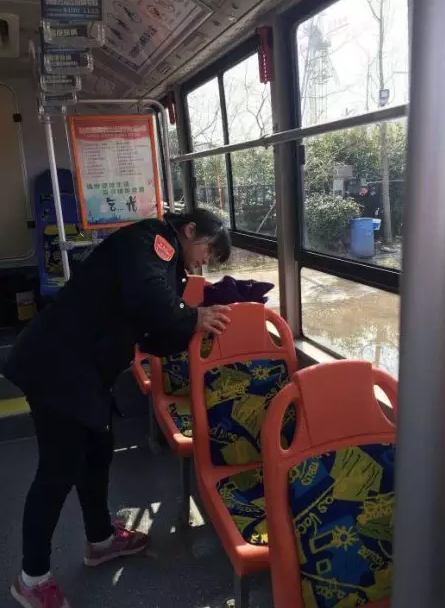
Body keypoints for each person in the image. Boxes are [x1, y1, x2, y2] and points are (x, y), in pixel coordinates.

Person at [4, 208, 231, 608]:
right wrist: (193, 316)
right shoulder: (151, 241)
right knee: (58, 470)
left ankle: (100, 541)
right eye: (207, 250)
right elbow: (149, 298)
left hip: (85, 369)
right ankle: (31, 579)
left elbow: (154, 331)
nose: (203, 262)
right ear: (190, 230)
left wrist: (196, 328)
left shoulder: (167, 264)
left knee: (97, 453)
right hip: (56, 365)